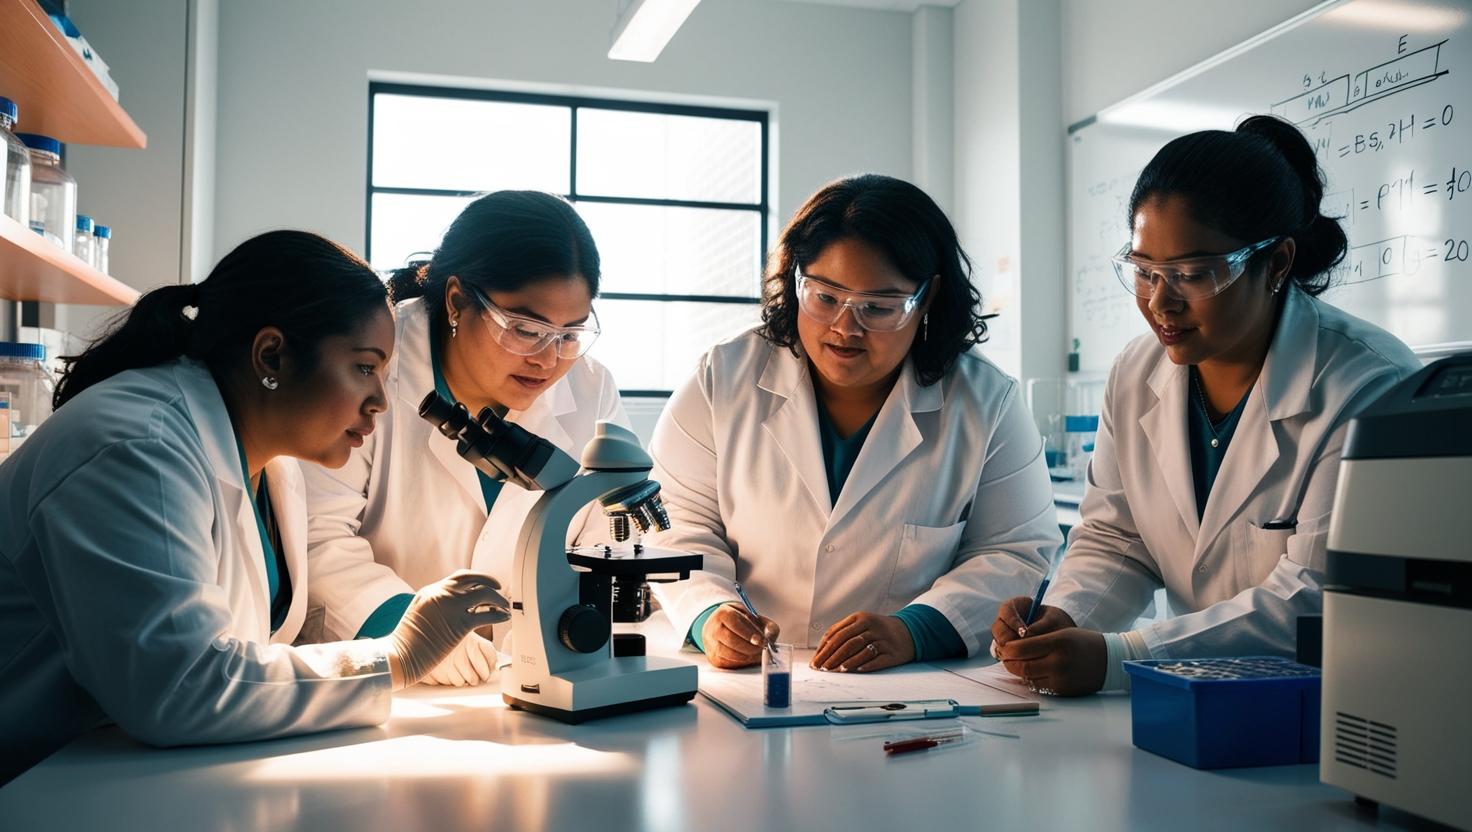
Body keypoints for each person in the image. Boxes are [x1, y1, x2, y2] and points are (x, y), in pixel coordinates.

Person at [0, 231, 509, 783]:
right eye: (365, 368)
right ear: (272, 355)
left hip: (118, 768)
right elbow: (178, 686)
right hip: (31, 772)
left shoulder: (271, 463)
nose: (381, 402)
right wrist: (394, 657)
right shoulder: (136, 447)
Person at [991, 115, 1421, 696]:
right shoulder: (1135, 372)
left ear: (1276, 263)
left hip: (1334, 704)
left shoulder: (1368, 386)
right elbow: (1117, 538)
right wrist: (1064, 619)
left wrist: (1124, 657)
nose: (1160, 302)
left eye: (1192, 274)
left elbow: (1317, 596)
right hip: (1196, 701)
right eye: (1144, 272)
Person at [648, 174, 1060, 672]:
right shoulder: (722, 380)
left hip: (908, 687)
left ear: (927, 298)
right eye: (824, 297)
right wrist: (709, 613)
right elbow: (673, 522)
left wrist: (917, 629)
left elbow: (1016, 550)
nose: (846, 327)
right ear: (795, 278)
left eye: (878, 307)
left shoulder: (986, 403)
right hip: (751, 678)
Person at [303, 191, 627, 686]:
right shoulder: (372, 368)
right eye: (524, 329)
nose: (548, 359)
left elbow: (605, 539)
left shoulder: (592, 388)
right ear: (456, 302)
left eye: (570, 334)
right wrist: (408, 630)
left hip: (525, 676)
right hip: (376, 676)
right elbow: (318, 537)